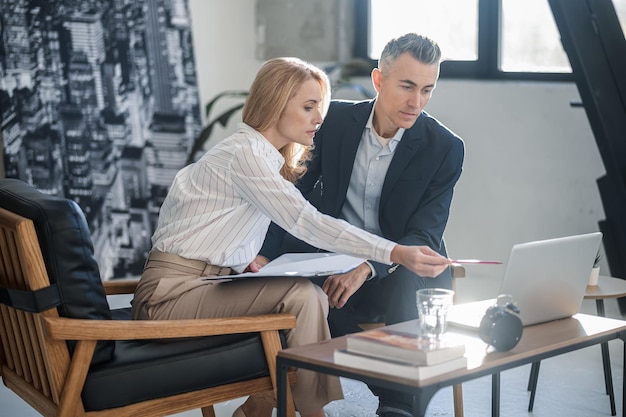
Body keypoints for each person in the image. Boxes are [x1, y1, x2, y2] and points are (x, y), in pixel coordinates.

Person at [131, 56, 451, 417]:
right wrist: (393, 252)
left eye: (321, 106)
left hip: (211, 285)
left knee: (306, 296)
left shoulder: (264, 158)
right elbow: (305, 220)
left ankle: (263, 407)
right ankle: (305, 411)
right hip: (171, 296)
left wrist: (250, 256)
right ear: (275, 105)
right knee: (302, 296)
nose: (319, 118)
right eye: (309, 107)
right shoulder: (245, 155)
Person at [258, 34, 465, 417]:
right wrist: (264, 253)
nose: (415, 102)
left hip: (401, 271)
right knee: (307, 294)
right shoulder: (334, 120)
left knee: (405, 281)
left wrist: (369, 265)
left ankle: (397, 405)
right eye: (406, 86)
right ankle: (399, 386)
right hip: (332, 265)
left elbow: (425, 233)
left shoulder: (445, 147)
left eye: (426, 90)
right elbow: (294, 195)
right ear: (379, 80)